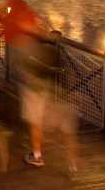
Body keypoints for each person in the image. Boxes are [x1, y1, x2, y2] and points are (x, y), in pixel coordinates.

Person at [18, 32, 79, 177]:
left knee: (36, 124)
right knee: (69, 134)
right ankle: (74, 166)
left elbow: (24, 67)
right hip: (63, 97)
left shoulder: (35, 51)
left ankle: (37, 156)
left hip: (40, 93)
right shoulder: (59, 55)